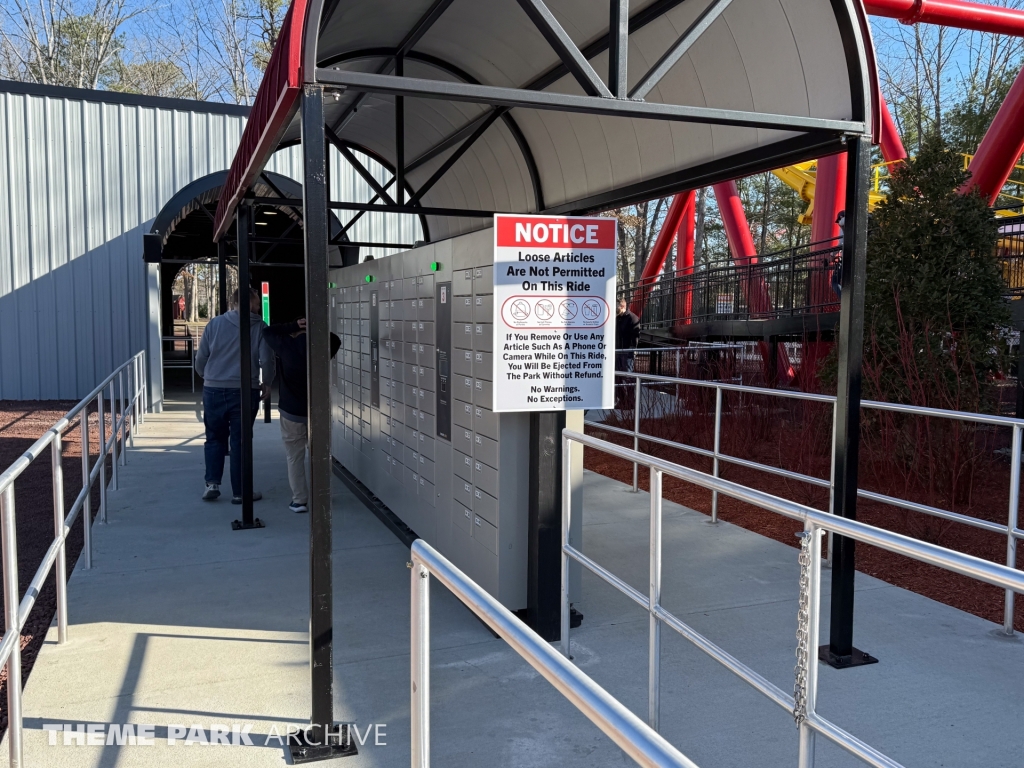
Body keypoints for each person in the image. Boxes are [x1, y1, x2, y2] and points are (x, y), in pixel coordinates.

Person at [195, 286, 275, 504]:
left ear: (233, 302)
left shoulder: (215, 324)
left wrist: (207, 376)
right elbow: (266, 359)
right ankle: (240, 492)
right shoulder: (259, 327)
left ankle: (212, 483)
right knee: (241, 442)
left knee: (214, 437)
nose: (257, 308)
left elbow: (201, 357)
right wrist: (267, 382)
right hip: (245, 390)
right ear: (251, 304)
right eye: (256, 304)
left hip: (213, 389)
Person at [263, 318, 342, 513]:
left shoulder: (286, 346)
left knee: (294, 457)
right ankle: (322, 496)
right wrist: (315, 326)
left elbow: (268, 332)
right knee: (320, 455)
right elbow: (336, 339)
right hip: (317, 412)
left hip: (291, 413)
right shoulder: (322, 348)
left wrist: (293, 325)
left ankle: (299, 500)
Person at [615, 297, 641, 372]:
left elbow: (635, 336)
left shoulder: (632, 318)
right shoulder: (617, 318)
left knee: (627, 373)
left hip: (627, 352)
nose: (615, 308)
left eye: (616, 306)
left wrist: (631, 350)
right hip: (618, 351)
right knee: (618, 374)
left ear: (622, 306)